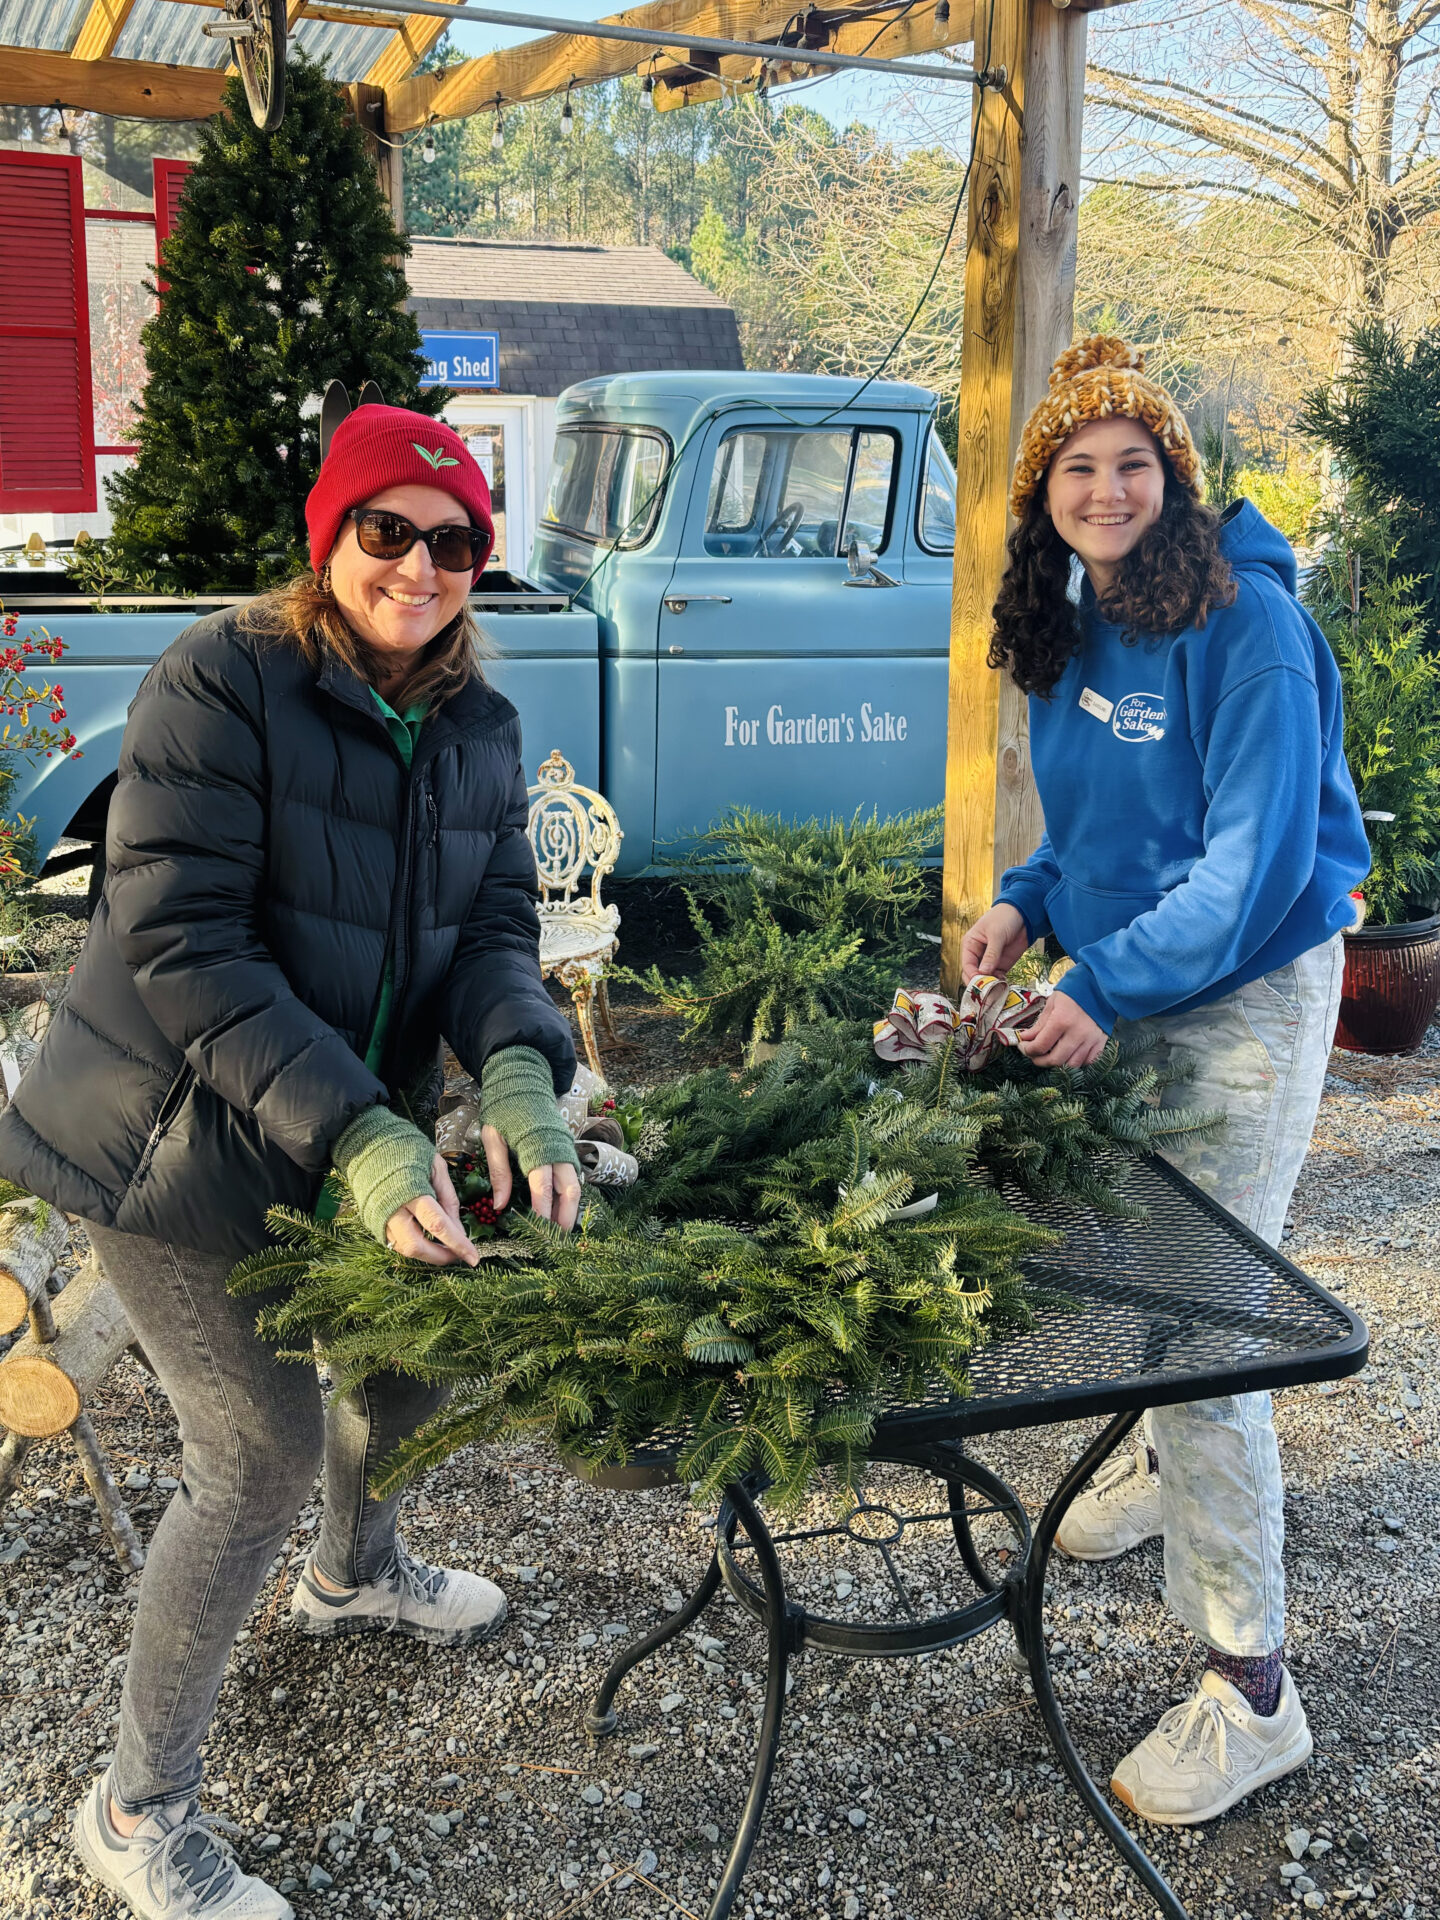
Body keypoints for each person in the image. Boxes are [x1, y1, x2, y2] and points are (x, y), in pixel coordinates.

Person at [0, 404, 584, 1920]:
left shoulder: (479, 727)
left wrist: (521, 1066)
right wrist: (373, 1136)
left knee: (417, 1351)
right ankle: (135, 1814)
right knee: (251, 1452)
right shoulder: (223, 679)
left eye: (453, 540)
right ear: (328, 540)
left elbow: (494, 935)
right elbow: (185, 944)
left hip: (331, 1120)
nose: (420, 565)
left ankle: (356, 1571)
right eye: (387, 529)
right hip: (169, 1138)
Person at [962, 336, 1369, 1826]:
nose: (1108, 487)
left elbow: (1243, 865)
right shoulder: (1074, 612)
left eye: (1136, 462)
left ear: (1177, 480)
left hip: (1250, 982)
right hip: (1132, 962)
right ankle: (1157, 1455)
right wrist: (1026, 904)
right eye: (1078, 469)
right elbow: (1097, 839)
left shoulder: (1245, 624)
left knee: (1212, 1317)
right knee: (1141, 1255)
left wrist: (1095, 985)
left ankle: (1255, 1695)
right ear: (1046, 499)